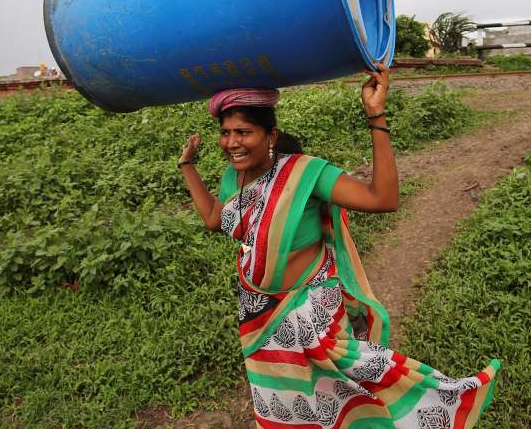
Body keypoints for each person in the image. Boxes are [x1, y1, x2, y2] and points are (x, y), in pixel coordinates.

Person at [178, 65, 499, 428]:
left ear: (271, 135)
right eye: (225, 133)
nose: (232, 142)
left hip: (310, 306)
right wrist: (187, 165)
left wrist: (375, 115)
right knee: (285, 398)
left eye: (243, 132)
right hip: (259, 313)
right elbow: (213, 218)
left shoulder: (305, 173)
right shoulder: (231, 177)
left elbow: (383, 198)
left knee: (346, 385)